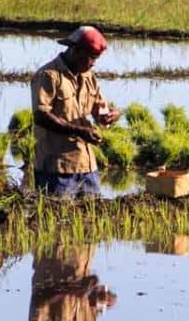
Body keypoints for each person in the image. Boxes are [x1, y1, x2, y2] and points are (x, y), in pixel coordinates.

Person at [30, 25, 122, 197]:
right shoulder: (49, 75)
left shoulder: (88, 77)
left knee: (91, 218)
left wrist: (110, 115)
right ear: (76, 50)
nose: (94, 63)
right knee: (56, 218)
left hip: (87, 166)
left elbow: (100, 110)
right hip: (57, 167)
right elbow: (41, 116)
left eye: (97, 58)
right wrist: (78, 130)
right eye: (91, 57)